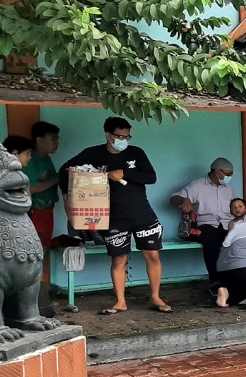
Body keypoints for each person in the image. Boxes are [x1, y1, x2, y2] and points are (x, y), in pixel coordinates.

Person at [59, 117, 169, 314]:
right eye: (120, 136)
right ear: (108, 135)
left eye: (127, 136)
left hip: (142, 213)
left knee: (152, 254)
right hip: (113, 216)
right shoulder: (92, 154)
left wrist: (124, 173)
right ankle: (120, 301)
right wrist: (68, 200)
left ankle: (155, 296)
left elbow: (151, 177)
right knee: (119, 259)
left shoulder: (136, 152)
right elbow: (64, 171)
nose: (124, 140)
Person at [170, 157, 236, 289]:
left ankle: (234, 279)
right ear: (217, 172)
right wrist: (184, 200)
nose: (229, 177)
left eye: (231, 175)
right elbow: (173, 199)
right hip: (204, 225)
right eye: (227, 174)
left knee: (239, 239)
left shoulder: (229, 189)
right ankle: (216, 281)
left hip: (226, 224)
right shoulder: (197, 185)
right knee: (212, 240)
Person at [216, 198, 246, 309]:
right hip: (243, 269)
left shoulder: (238, 225)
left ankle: (226, 295)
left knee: (245, 287)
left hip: (222, 271)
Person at [23, 122, 61, 250]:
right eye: (53, 139)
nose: (57, 142)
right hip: (35, 212)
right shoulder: (31, 159)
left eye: (57, 139)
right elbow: (32, 188)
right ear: (39, 140)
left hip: (47, 210)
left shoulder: (46, 158)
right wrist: (58, 177)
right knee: (34, 250)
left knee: (44, 248)